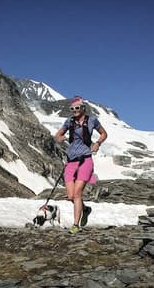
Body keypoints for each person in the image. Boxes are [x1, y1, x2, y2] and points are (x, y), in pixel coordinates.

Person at [54, 96, 107, 234]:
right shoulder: (69, 122)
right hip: (71, 161)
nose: (75, 111)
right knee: (71, 196)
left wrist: (97, 143)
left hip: (85, 160)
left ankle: (75, 225)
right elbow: (58, 135)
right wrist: (61, 138)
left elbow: (103, 134)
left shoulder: (92, 120)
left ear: (83, 108)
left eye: (77, 108)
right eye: (72, 109)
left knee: (77, 193)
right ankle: (85, 209)